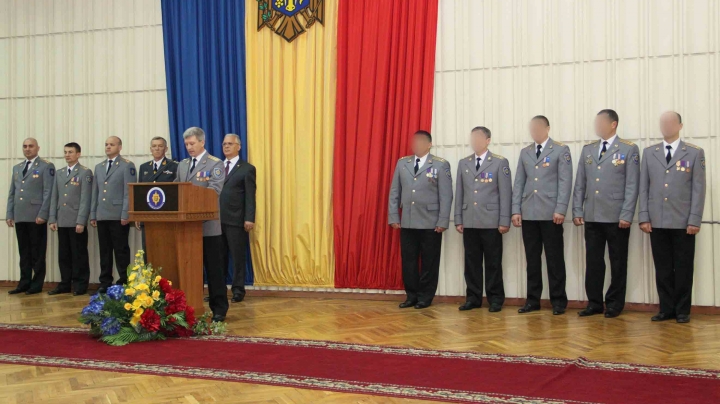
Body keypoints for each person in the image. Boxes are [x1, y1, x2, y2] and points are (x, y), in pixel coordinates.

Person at [638, 112, 706, 324]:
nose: (666, 126)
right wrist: (644, 217)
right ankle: (666, 308)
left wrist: (694, 219)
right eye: (663, 123)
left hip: (683, 221)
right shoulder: (650, 153)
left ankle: (683, 310)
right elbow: (644, 187)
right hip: (657, 220)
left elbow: (698, 188)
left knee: (683, 267)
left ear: (680, 125)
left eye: (670, 122)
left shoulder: (694, 153)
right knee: (663, 267)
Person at [573, 109, 640, 318]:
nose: (598, 125)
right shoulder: (588, 150)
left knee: (618, 261)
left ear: (613, 124)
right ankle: (594, 302)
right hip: (592, 215)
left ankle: (614, 303)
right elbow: (580, 183)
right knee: (593, 261)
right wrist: (577, 209)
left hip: (616, 217)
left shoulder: (629, 149)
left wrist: (627, 214)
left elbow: (632, 185)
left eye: (602, 122)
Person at [511, 116, 572, 315]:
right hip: (529, 212)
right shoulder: (525, 152)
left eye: (538, 127)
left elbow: (565, 181)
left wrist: (561, 208)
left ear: (547, 128)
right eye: (532, 128)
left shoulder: (560, 150)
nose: (535, 131)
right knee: (532, 259)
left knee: (554, 259)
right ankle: (532, 300)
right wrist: (516, 209)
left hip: (551, 213)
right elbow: (519, 182)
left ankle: (558, 301)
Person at [388, 130, 453, 309]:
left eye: (420, 142)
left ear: (429, 144)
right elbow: (395, 192)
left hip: (431, 223)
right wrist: (394, 216)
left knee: (429, 261)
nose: (415, 145)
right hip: (408, 220)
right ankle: (411, 295)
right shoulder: (403, 164)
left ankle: (425, 297)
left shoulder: (440, 165)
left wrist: (442, 221)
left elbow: (446, 196)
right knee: (408, 260)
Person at [174, 127, 228, 322]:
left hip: (208, 228)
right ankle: (188, 307)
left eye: (192, 143)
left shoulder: (215, 164)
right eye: (186, 144)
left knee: (214, 270)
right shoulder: (182, 165)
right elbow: (176, 190)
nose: (189, 147)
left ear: (202, 142)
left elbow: (214, 191)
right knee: (189, 270)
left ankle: (219, 309)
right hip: (186, 229)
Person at [454, 127, 511, 312]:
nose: (475, 141)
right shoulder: (464, 163)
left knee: (493, 262)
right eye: (473, 138)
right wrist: (458, 218)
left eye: (479, 138)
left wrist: (504, 220)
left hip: (491, 221)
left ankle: (495, 299)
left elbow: (505, 193)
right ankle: (473, 298)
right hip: (469, 220)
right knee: (471, 262)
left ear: (488, 140)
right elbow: (460, 192)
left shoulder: (499, 162)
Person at [6, 138, 54, 295]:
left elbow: (48, 192)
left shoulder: (46, 166)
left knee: (37, 252)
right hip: (20, 215)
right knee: (24, 252)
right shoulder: (17, 168)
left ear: (38, 148)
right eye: (25, 146)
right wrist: (10, 213)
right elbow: (12, 193)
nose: (27, 149)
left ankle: (37, 283)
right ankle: (24, 282)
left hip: (36, 216)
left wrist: (43, 214)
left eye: (30, 146)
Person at [90, 136, 136, 293]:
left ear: (120, 147)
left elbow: (128, 192)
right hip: (102, 213)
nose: (108, 147)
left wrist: (125, 214)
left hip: (118, 215)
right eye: (106, 144)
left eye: (112, 144)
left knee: (121, 249)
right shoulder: (99, 167)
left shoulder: (126, 166)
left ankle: (124, 281)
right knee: (105, 250)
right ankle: (105, 281)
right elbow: (95, 192)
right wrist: (93, 214)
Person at [48, 142, 93, 296]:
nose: (67, 155)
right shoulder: (60, 173)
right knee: (64, 254)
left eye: (71, 152)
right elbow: (54, 197)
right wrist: (53, 218)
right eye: (65, 152)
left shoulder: (84, 172)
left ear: (78, 154)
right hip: (62, 219)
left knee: (78, 253)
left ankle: (80, 284)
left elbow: (85, 199)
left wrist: (81, 221)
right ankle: (65, 283)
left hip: (76, 220)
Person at [219, 134, 256, 303]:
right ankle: (219, 290)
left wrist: (249, 218)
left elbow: (250, 195)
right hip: (216, 220)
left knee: (237, 256)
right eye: (224, 144)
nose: (226, 146)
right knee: (219, 257)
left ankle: (238, 290)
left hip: (236, 220)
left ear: (238, 147)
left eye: (230, 144)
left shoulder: (246, 168)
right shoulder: (217, 167)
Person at [135, 136, 178, 251]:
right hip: (148, 215)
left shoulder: (174, 166)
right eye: (154, 146)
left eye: (160, 146)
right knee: (148, 249)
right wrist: (138, 215)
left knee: (166, 249)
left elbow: (176, 191)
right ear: (150, 149)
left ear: (166, 148)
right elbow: (140, 192)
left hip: (166, 215)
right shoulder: (144, 167)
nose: (157, 149)